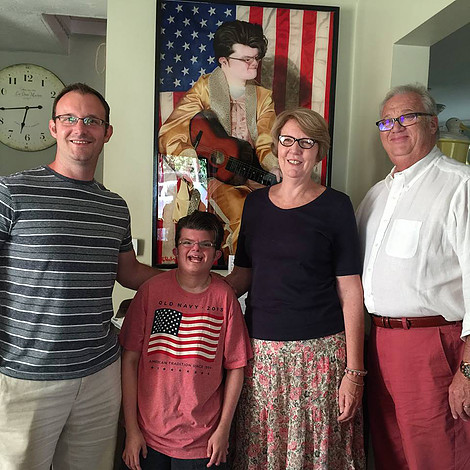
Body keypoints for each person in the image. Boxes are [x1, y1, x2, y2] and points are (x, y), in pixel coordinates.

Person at [0, 83, 160, 470]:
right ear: (53, 127)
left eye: (91, 120)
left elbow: (130, 272)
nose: (80, 128)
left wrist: (197, 283)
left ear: (107, 131)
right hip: (27, 376)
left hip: (100, 374)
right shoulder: (12, 192)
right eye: (69, 118)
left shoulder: (114, 206)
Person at [226, 108, 366, 469]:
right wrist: (193, 291)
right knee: (264, 454)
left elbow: (350, 291)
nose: (295, 150)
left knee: (317, 454)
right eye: (288, 140)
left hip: (321, 356)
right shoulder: (255, 204)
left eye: (306, 143)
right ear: (276, 146)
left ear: (319, 151)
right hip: (262, 357)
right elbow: (242, 276)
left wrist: (355, 373)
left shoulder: (336, 206)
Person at [356, 83, 470, 470]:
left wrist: (467, 369)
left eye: (408, 117)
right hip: (379, 343)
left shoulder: (460, 185)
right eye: (387, 121)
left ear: (433, 124)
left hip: (433, 347)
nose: (396, 128)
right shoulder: (374, 197)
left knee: (437, 455)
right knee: (390, 454)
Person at [120, 211, 252, 470]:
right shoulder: (150, 292)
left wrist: (224, 429)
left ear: (216, 255)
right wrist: (132, 430)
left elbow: (236, 367)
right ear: (175, 249)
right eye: (188, 242)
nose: (196, 250)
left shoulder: (225, 299)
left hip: (204, 441)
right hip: (148, 436)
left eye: (205, 244)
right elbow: (130, 360)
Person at [158, 20, 278, 257]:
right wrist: (196, 163)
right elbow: (170, 133)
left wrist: (273, 165)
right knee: (243, 210)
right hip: (210, 177)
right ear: (223, 61)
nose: (254, 64)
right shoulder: (204, 89)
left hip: (250, 175)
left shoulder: (263, 97)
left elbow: (266, 138)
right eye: (246, 59)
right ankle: (238, 273)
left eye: (256, 57)